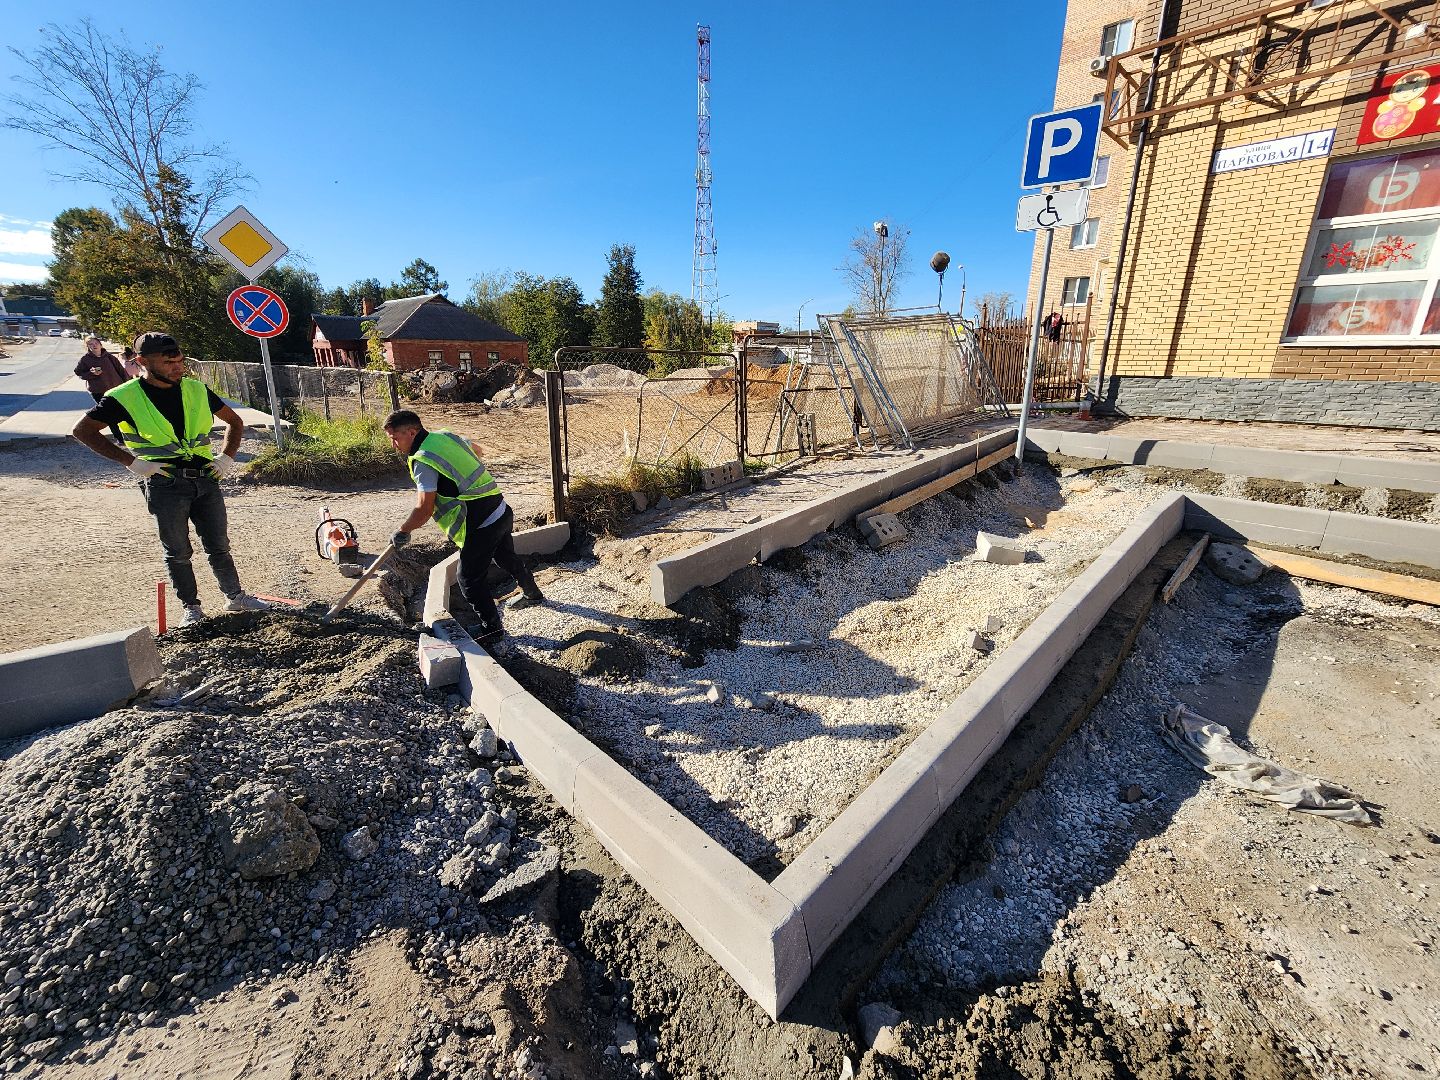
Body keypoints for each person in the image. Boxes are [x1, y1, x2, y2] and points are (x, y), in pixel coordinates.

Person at [70, 331, 270, 627]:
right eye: (168, 363)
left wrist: (226, 457)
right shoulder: (123, 397)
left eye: (180, 361)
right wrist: (131, 462)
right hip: (164, 483)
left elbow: (234, 421)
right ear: (142, 362)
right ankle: (192, 608)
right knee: (177, 551)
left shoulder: (195, 389)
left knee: (219, 545)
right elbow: (82, 431)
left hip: (205, 478)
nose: (178, 368)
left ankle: (235, 596)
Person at [383, 409, 544, 644]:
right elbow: (477, 450)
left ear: (412, 432)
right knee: (505, 557)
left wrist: (403, 530)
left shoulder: (423, 460)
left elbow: (424, 509)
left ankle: (492, 630)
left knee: (468, 578)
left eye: (395, 438)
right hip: (499, 508)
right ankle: (532, 593)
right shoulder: (444, 436)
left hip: (480, 522)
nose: (394, 445)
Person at [75, 337, 129, 440]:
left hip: (115, 390)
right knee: (109, 414)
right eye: (91, 344)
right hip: (98, 391)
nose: (94, 345)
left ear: (100, 344)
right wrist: (91, 373)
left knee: (122, 412)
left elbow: (122, 371)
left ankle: (130, 435)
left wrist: (127, 385)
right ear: (87, 347)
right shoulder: (85, 359)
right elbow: (79, 373)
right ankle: (119, 438)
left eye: (96, 343)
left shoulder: (109, 357)